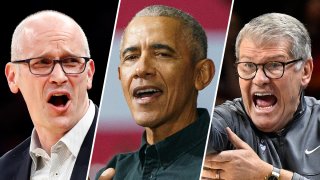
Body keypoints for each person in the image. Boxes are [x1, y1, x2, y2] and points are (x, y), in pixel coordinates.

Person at [97, 5, 215, 180]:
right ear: (120, 74)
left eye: (162, 54)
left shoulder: (224, 162)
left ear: (201, 74)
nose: (142, 69)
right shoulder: (115, 172)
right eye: (131, 57)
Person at [203, 13, 319, 180]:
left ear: (305, 71)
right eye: (249, 65)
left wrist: (266, 174)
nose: (259, 79)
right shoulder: (228, 120)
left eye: (274, 65)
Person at [0, 10, 96, 180]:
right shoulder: (4, 171)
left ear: (89, 73)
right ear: (13, 77)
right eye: (42, 63)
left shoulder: (133, 157)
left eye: (71, 61)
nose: (59, 77)